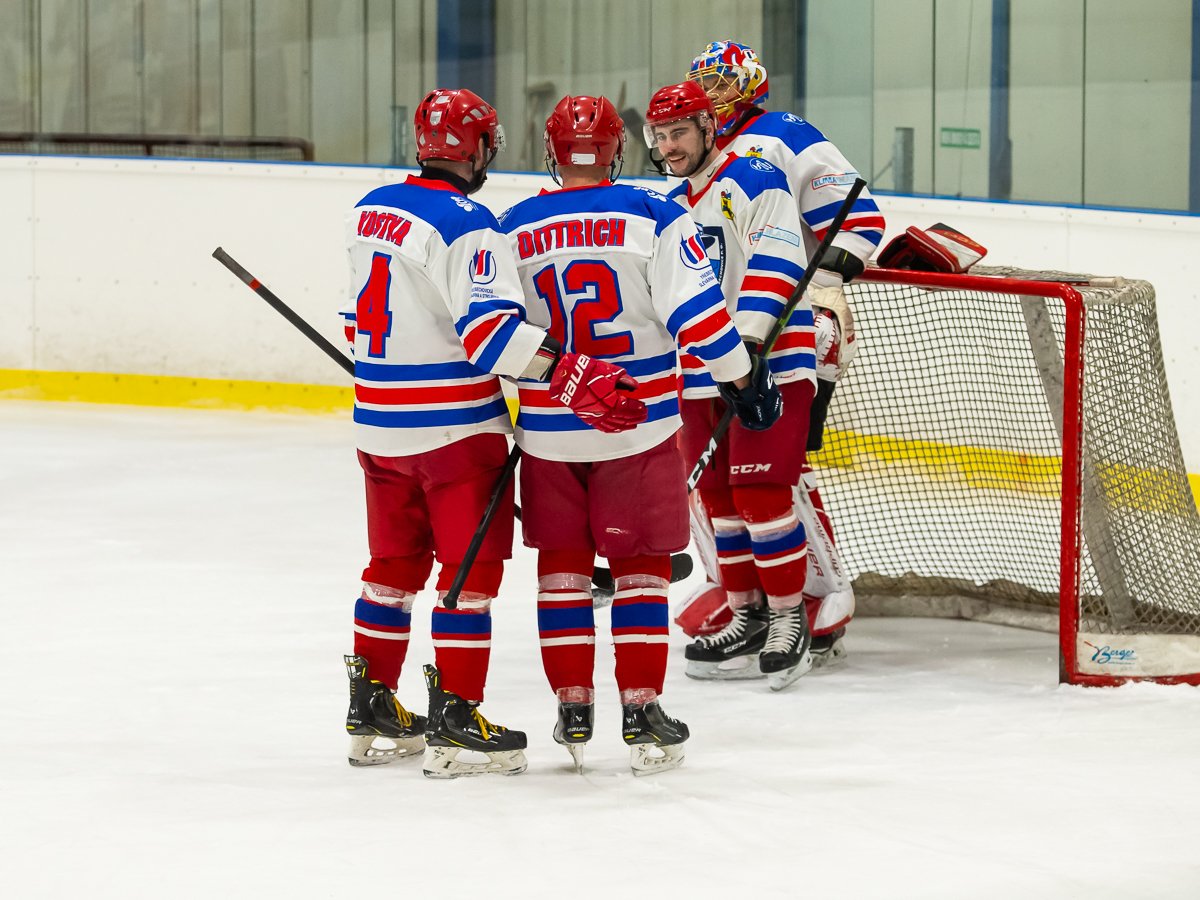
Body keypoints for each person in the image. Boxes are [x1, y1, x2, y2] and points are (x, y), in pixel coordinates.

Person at [339, 88, 645, 777]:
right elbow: (490, 335)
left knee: (392, 567)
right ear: (478, 148)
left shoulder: (369, 209)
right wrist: (567, 370)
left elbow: (355, 324)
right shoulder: (469, 223)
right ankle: (455, 720)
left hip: (377, 427)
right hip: (454, 433)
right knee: (467, 577)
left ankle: (371, 704)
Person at [499, 94, 780, 773]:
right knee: (642, 572)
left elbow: (491, 332)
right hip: (641, 429)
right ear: (618, 151)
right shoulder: (655, 215)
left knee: (562, 572)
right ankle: (642, 712)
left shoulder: (511, 226)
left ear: (552, 153)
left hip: (548, 432)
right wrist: (743, 379)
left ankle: (572, 706)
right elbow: (701, 319)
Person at [674, 40, 886, 670]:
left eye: (720, 83)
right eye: (701, 83)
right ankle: (744, 593)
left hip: (794, 323)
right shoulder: (696, 152)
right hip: (722, 336)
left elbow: (860, 223)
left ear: (749, 85)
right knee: (719, 478)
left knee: (776, 472)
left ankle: (817, 592)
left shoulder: (783, 134)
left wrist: (812, 290)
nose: (709, 95)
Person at [643, 81, 815, 691]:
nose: (669, 146)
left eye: (679, 132)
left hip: (770, 360)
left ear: (708, 128)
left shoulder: (753, 177)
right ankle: (747, 613)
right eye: (660, 136)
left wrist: (745, 348)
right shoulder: (667, 205)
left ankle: (790, 618)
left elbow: (778, 261)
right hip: (698, 370)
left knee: (761, 496)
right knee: (718, 500)